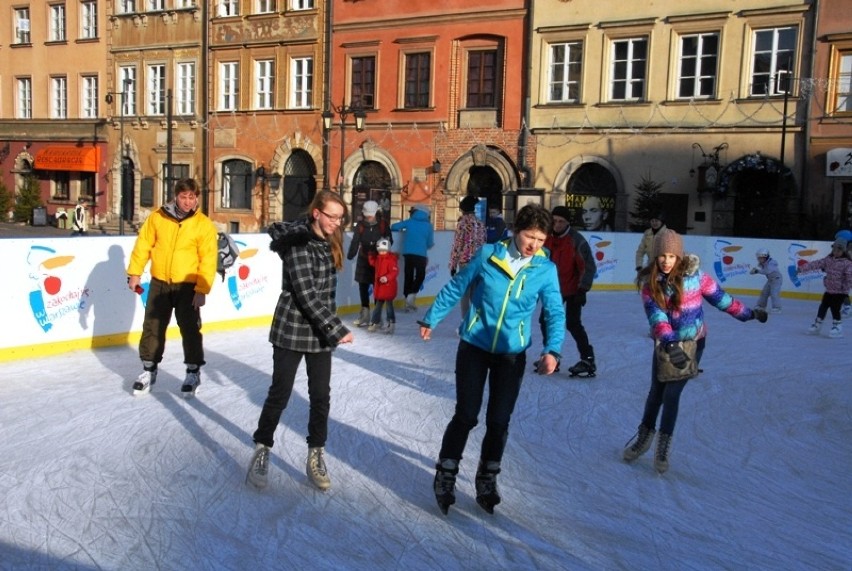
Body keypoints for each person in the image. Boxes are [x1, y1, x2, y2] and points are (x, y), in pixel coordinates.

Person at [418, 204, 566, 515]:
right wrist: (431, 318)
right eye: (529, 237)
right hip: (475, 345)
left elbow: (554, 312)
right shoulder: (487, 255)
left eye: (541, 239)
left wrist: (552, 350)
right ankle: (446, 473)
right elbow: (458, 286)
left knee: (499, 421)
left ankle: (487, 477)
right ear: (516, 230)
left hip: (512, 354)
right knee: (467, 415)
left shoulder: (545, 270)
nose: (534, 245)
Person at [623, 229, 767, 474]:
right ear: (655, 256)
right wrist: (669, 343)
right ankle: (644, 437)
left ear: (679, 256)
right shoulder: (650, 284)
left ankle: (663, 446)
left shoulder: (697, 278)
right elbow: (656, 317)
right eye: (661, 256)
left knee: (672, 395)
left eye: (671, 255)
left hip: (693, 344)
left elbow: (722, 300)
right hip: (666, 344)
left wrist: (749, 314)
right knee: (656, 392)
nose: (666, 261)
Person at [246, 190, 355, 492]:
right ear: (316, 213)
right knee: (280, 392)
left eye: (340, 218)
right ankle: (262, 448)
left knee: (320, 396)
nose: (336, 222)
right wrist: (336, 328)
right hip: (292, 328)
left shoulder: (330, 240)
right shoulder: (297, 244)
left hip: (319, 332)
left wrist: (328, 328)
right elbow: (306, 295)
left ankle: (315, 453)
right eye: (331, 216)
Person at [126, 178, 219, 397]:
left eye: (192, 197)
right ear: (175, 196)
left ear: (197, 198)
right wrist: (135, 273)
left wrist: (202, 290)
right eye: (184, 197)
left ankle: (193, 372)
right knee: (153, 326)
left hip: (187, 286)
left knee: (190, 329)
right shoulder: (158, 217)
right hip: (160, 282)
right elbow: (143, 245)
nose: (188, 202)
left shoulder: (203, 224)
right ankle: (149, 370)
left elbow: (208, 259)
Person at [542, 205, 597, 377]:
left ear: (568, 223)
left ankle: (588, 359)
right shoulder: (546, 239)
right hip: (552, 290)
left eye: (561, 221)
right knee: (545, 321)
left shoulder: (576, 240)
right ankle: (551, 357)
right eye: (554, 221)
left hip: (573, 289)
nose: (557, 224)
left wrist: (582, 290)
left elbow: (588, 267)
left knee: (573, 323)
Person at [347, 200, 390, 327]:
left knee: (377, 287)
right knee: (363, 286)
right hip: (364, 258)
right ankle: (365, 313)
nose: (369, 217)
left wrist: (384, 244)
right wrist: (351, 254)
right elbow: (355, 241)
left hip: (378, 260)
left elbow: (389, 240)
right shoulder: (360, 226)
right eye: (367, 215)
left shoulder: (383, 225)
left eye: (371, 214)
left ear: (376, 212)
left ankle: (377, 316)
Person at [799, 237, 852, 338]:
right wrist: (803, 268)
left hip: (840, 291)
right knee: (823, 306)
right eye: (834, 249)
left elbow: (850, 277)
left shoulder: (847, 263)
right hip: (829, 290)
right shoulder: (828, 259)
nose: (836, 252)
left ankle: (837, 326)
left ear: (844, 251)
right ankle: (818, 324)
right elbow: (817, 264)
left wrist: (845, 290)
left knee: (835, 308)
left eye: (839, 250)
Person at [390, 204, 434, 312]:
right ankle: (411, 296)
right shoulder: (428, 226)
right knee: (420, 275)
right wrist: (425, 245)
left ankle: (407, 300)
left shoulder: (409, 222)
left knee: (408, 276)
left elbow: (394, 227)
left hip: (408, 252)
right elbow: (430, 242)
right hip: (421, 254)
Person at [449, 195, 487, 317]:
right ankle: (475, 319)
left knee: (464, 292)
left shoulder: (462, 223)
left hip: (465, 261)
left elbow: (458, 244)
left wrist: (453, 264)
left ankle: (465, 320)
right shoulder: (481, 223)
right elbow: (484, 242)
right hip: (478, 261)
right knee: (475, 292)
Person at [367, 238, 399, 334]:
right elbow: (373, 263)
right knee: (378, 307)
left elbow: (394, 271)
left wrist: (387, 278)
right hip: (380, 288)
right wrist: (370, 255)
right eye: (380, 251)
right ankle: (375, 322)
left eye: (384, 251)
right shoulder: (378, 259)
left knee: (389, 307)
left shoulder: (391, 259)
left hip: (388, 287)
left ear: (388, 250)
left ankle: (391, 323)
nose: (382, 252)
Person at [750, 248, 783, 313]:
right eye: (758, 258)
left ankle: (777, 308)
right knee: (764, 293)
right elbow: (756, 270)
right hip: (770, 280)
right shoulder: (762, 263)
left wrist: (757, 271)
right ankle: (761, 306)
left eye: (761, 258)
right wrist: (753, 271)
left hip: (777, 279)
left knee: (774, 293)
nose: (759, 259)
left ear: (766, 257)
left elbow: (767, 271)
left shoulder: (772, 262)